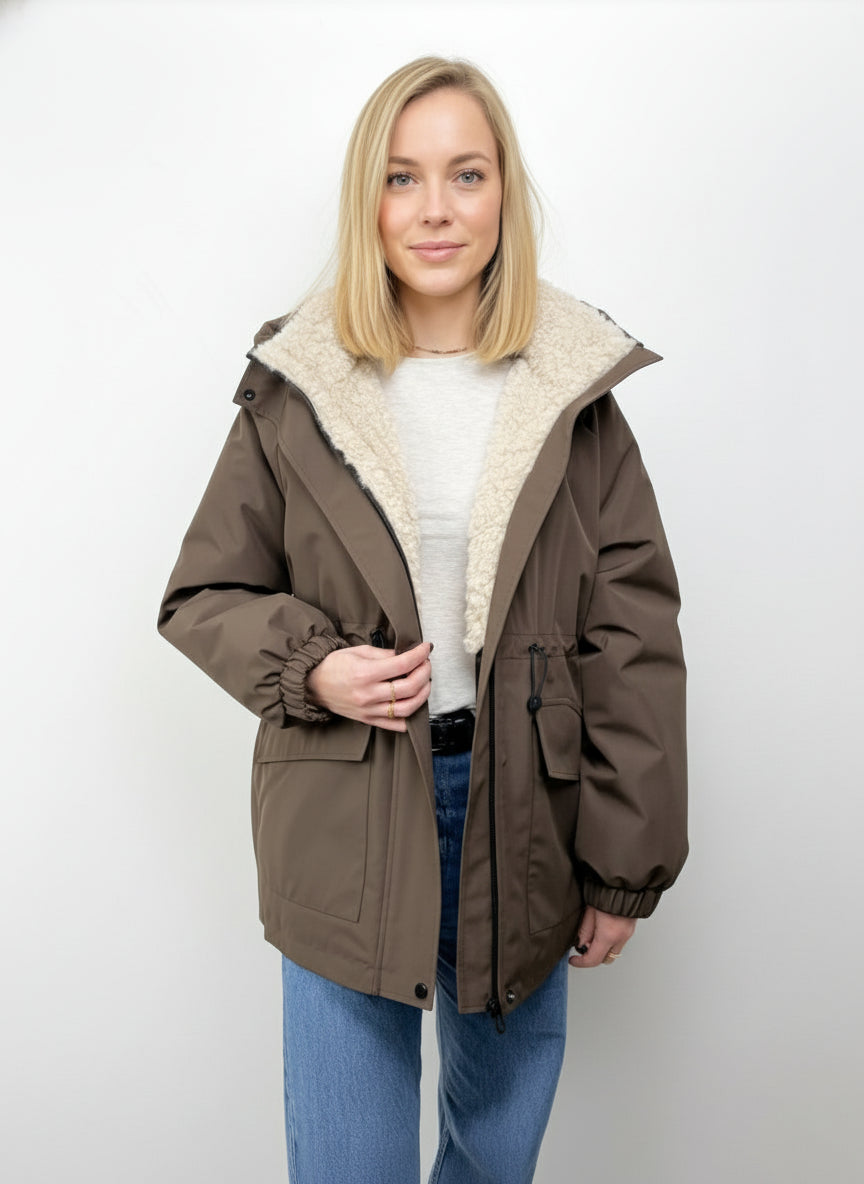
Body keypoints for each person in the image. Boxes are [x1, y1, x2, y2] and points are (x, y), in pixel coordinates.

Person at [158, 56, 688, 1184]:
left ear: (505, 194)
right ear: (371, 201)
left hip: (524, 815)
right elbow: (204, 594)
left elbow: (633, 639)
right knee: (349, 1165)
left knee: (494, 1161)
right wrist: (316, 668)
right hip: (344, 811)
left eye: (466, 174)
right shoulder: (296, 387)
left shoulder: (574, 390)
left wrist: (623, 866)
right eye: (403, 177)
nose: (436, 208)